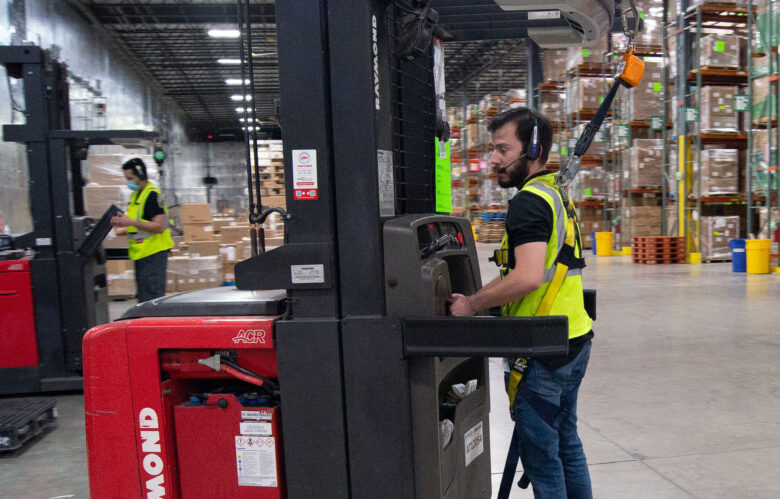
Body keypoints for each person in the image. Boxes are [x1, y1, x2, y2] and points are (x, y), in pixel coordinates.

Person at [449, 108, 594, 498]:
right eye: (492, 149)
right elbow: (539, 271)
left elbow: (528, 276)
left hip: (543, 350)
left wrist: (473, 304)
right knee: (567, 444)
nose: (493, 159)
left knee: (543, 457)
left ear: (533, 150)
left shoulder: (529, 202)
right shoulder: (554, 194)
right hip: (574, 337)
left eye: (501, 149)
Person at [110, 157, 174, 303]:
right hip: (141, 255)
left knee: (152, 298)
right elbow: (137, 225)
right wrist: (120, 227)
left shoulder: (153, 195)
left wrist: (130, 221)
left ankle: (154, 326)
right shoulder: (136, 195)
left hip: (153, 254)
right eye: (126, 178)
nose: (128, 182)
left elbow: (158, 226)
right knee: (144, 299)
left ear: (141, 175)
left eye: (130, 178)